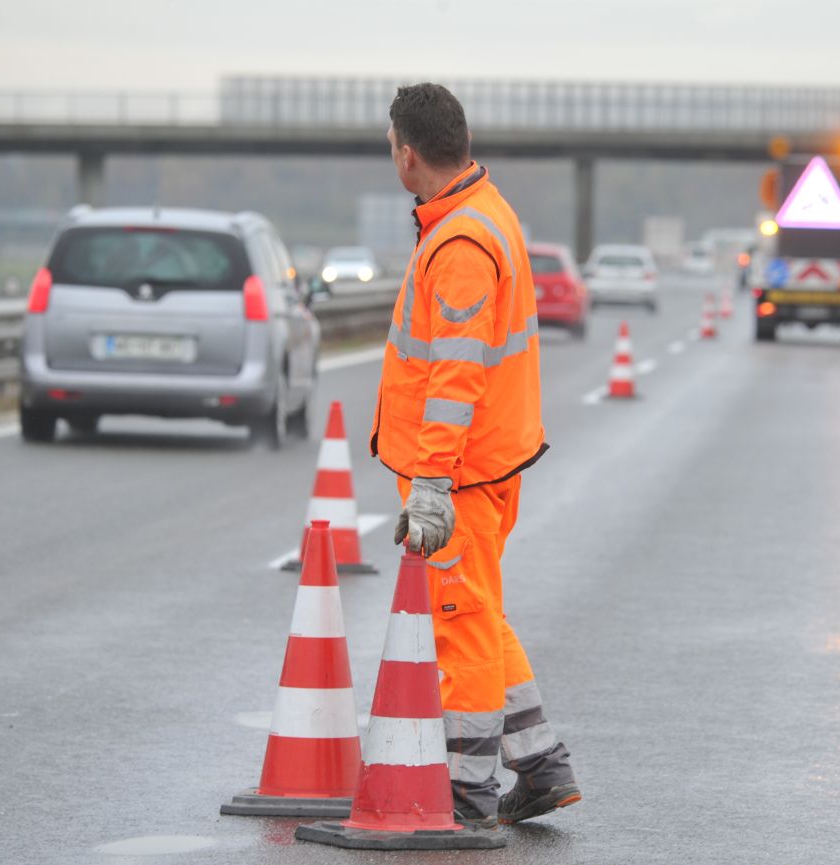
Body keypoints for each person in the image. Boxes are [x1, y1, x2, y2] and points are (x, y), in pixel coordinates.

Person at [371, 82, 580, 830]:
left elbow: (453, 375)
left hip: (460, 469)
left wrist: (429, 480)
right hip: (486, 460)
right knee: (480, 615)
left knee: (459, 624)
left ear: (407, 154)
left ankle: (463, 790)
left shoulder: (459, 240)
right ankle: (541, 763)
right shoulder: (483, 213)